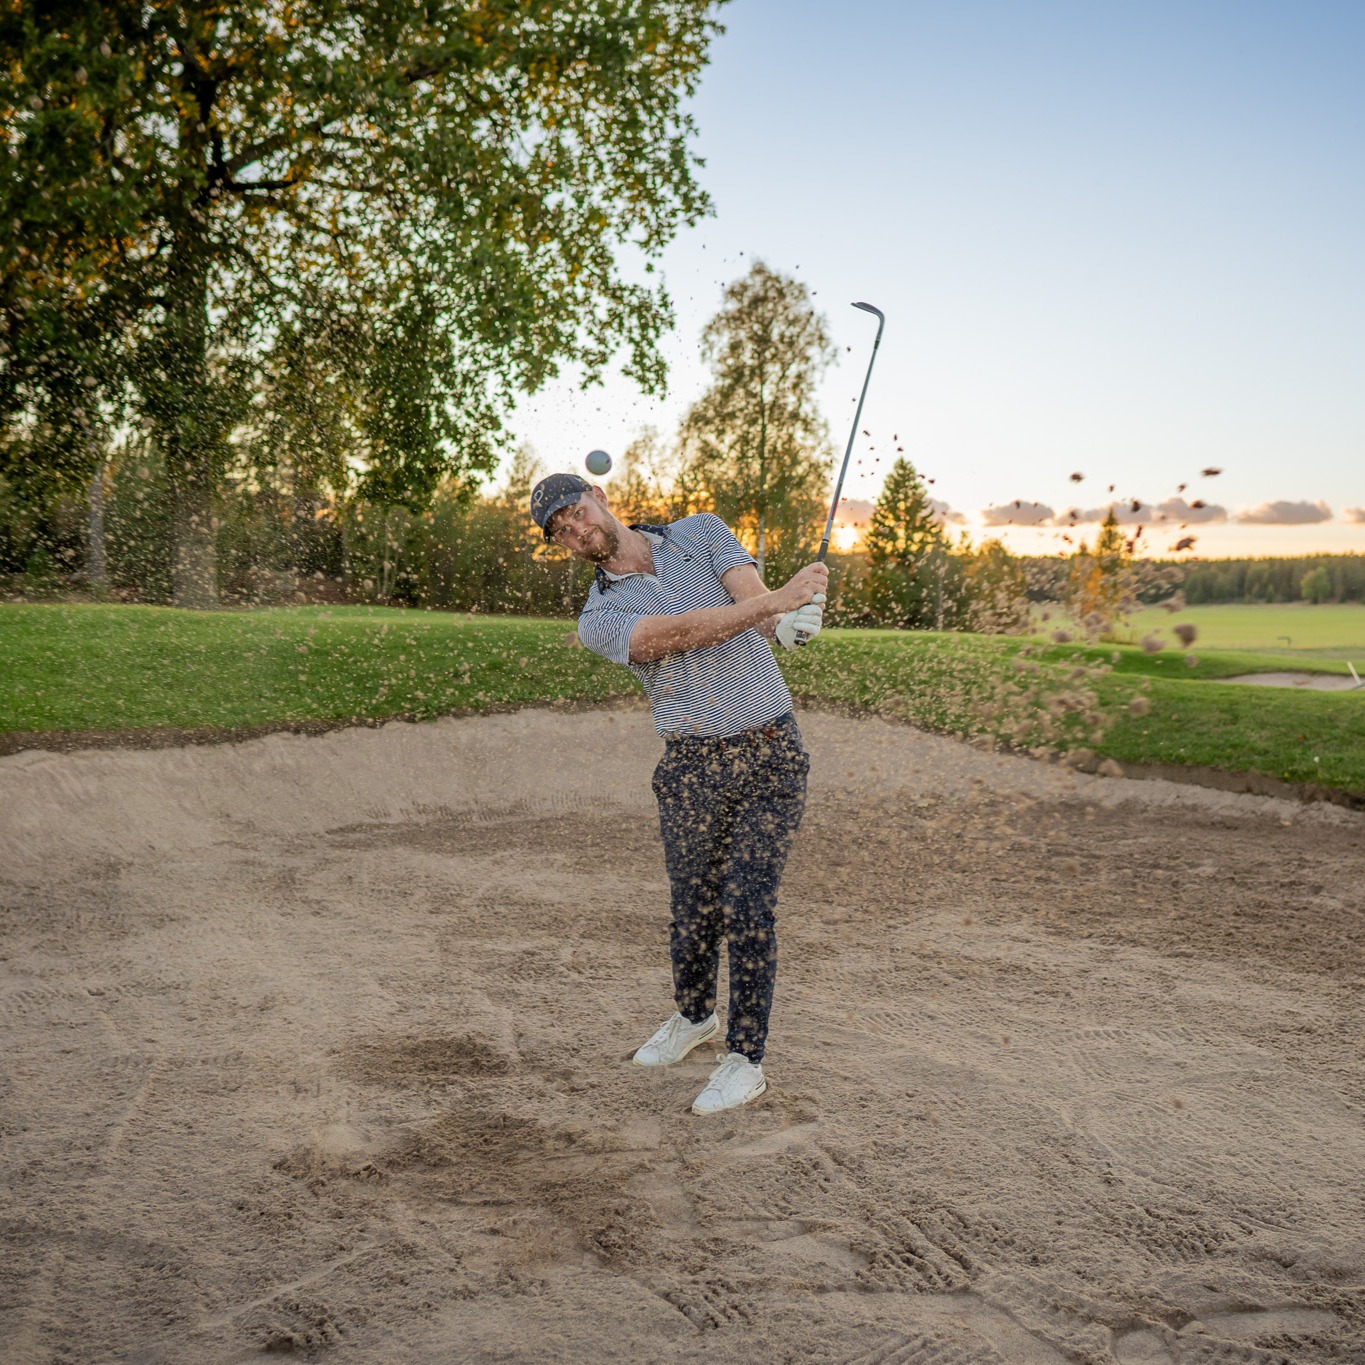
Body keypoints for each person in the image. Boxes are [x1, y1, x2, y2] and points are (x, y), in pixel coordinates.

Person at [530, 473, 828, 1115]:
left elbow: (747, 592)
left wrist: (787, 619)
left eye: (576, 513)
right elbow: (686, 633)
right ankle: (695, 1017)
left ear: (600, 499)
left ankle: (745, 1059)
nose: (576, 531)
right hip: (692, 765)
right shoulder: (598, 617)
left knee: (748, 905)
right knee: (694, 909)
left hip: (772, 752)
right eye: (561, 532)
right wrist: (775, 605)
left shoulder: (701, 529)